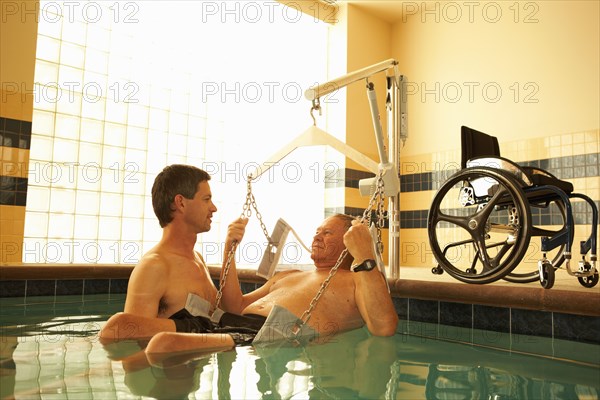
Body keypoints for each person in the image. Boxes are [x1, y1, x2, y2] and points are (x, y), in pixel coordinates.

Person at [142, 213, 399, 357]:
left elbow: (384, 326)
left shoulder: (356, 279)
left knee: (163, 344)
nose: (316, 236)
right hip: (230, 323)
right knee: (119, 325)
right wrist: (229, 249)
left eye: (327, 233)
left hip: (266, 335)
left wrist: (365, 254)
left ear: (348, 243)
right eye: (317, 231)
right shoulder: (289, 275)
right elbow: (234, 305)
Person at [100, 164, 220, 340]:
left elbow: (222, 316)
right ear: (181, 203)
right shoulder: (154, 266)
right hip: (165, 367)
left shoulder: (198, 260)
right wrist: (188, 327)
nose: (213, 208)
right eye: (206, 199)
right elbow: (123, 337)